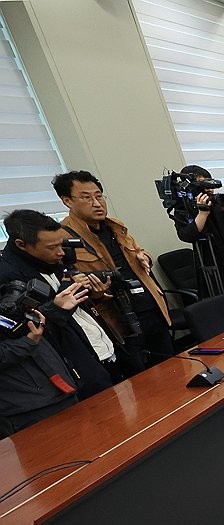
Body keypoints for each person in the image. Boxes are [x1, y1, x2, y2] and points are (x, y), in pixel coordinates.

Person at [0, 210, 127, 398]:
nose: (60, 252)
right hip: (72, 367)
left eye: (61, 244)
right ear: (22, 245)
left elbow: (74, 305)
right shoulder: (9, 277)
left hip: (102, 347)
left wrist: (95, 295)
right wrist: (57, 305)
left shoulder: (52, 261)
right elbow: (20, 330)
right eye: (52, 247)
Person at [54, 171, 175, 366]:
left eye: (99, 195)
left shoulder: (115, 226)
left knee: (172, 365)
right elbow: (67, 283)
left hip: (149, 305)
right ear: (67, 201)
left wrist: (144, 257)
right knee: (140, 378)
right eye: (86, 197)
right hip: (116, 317)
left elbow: (139, 250)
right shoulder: (62, 237)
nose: (96, 203)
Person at [170, 165, 224, 298]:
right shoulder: (184, 209)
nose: (209, 189)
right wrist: (202, 214)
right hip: (214, 266)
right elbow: (186, 235)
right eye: (204, 184)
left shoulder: (219, 202)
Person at [0, 309, 78, 438]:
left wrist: (55, 308)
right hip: (29, 406)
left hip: (61, 388)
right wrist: (27, 342)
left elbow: (28, 326)